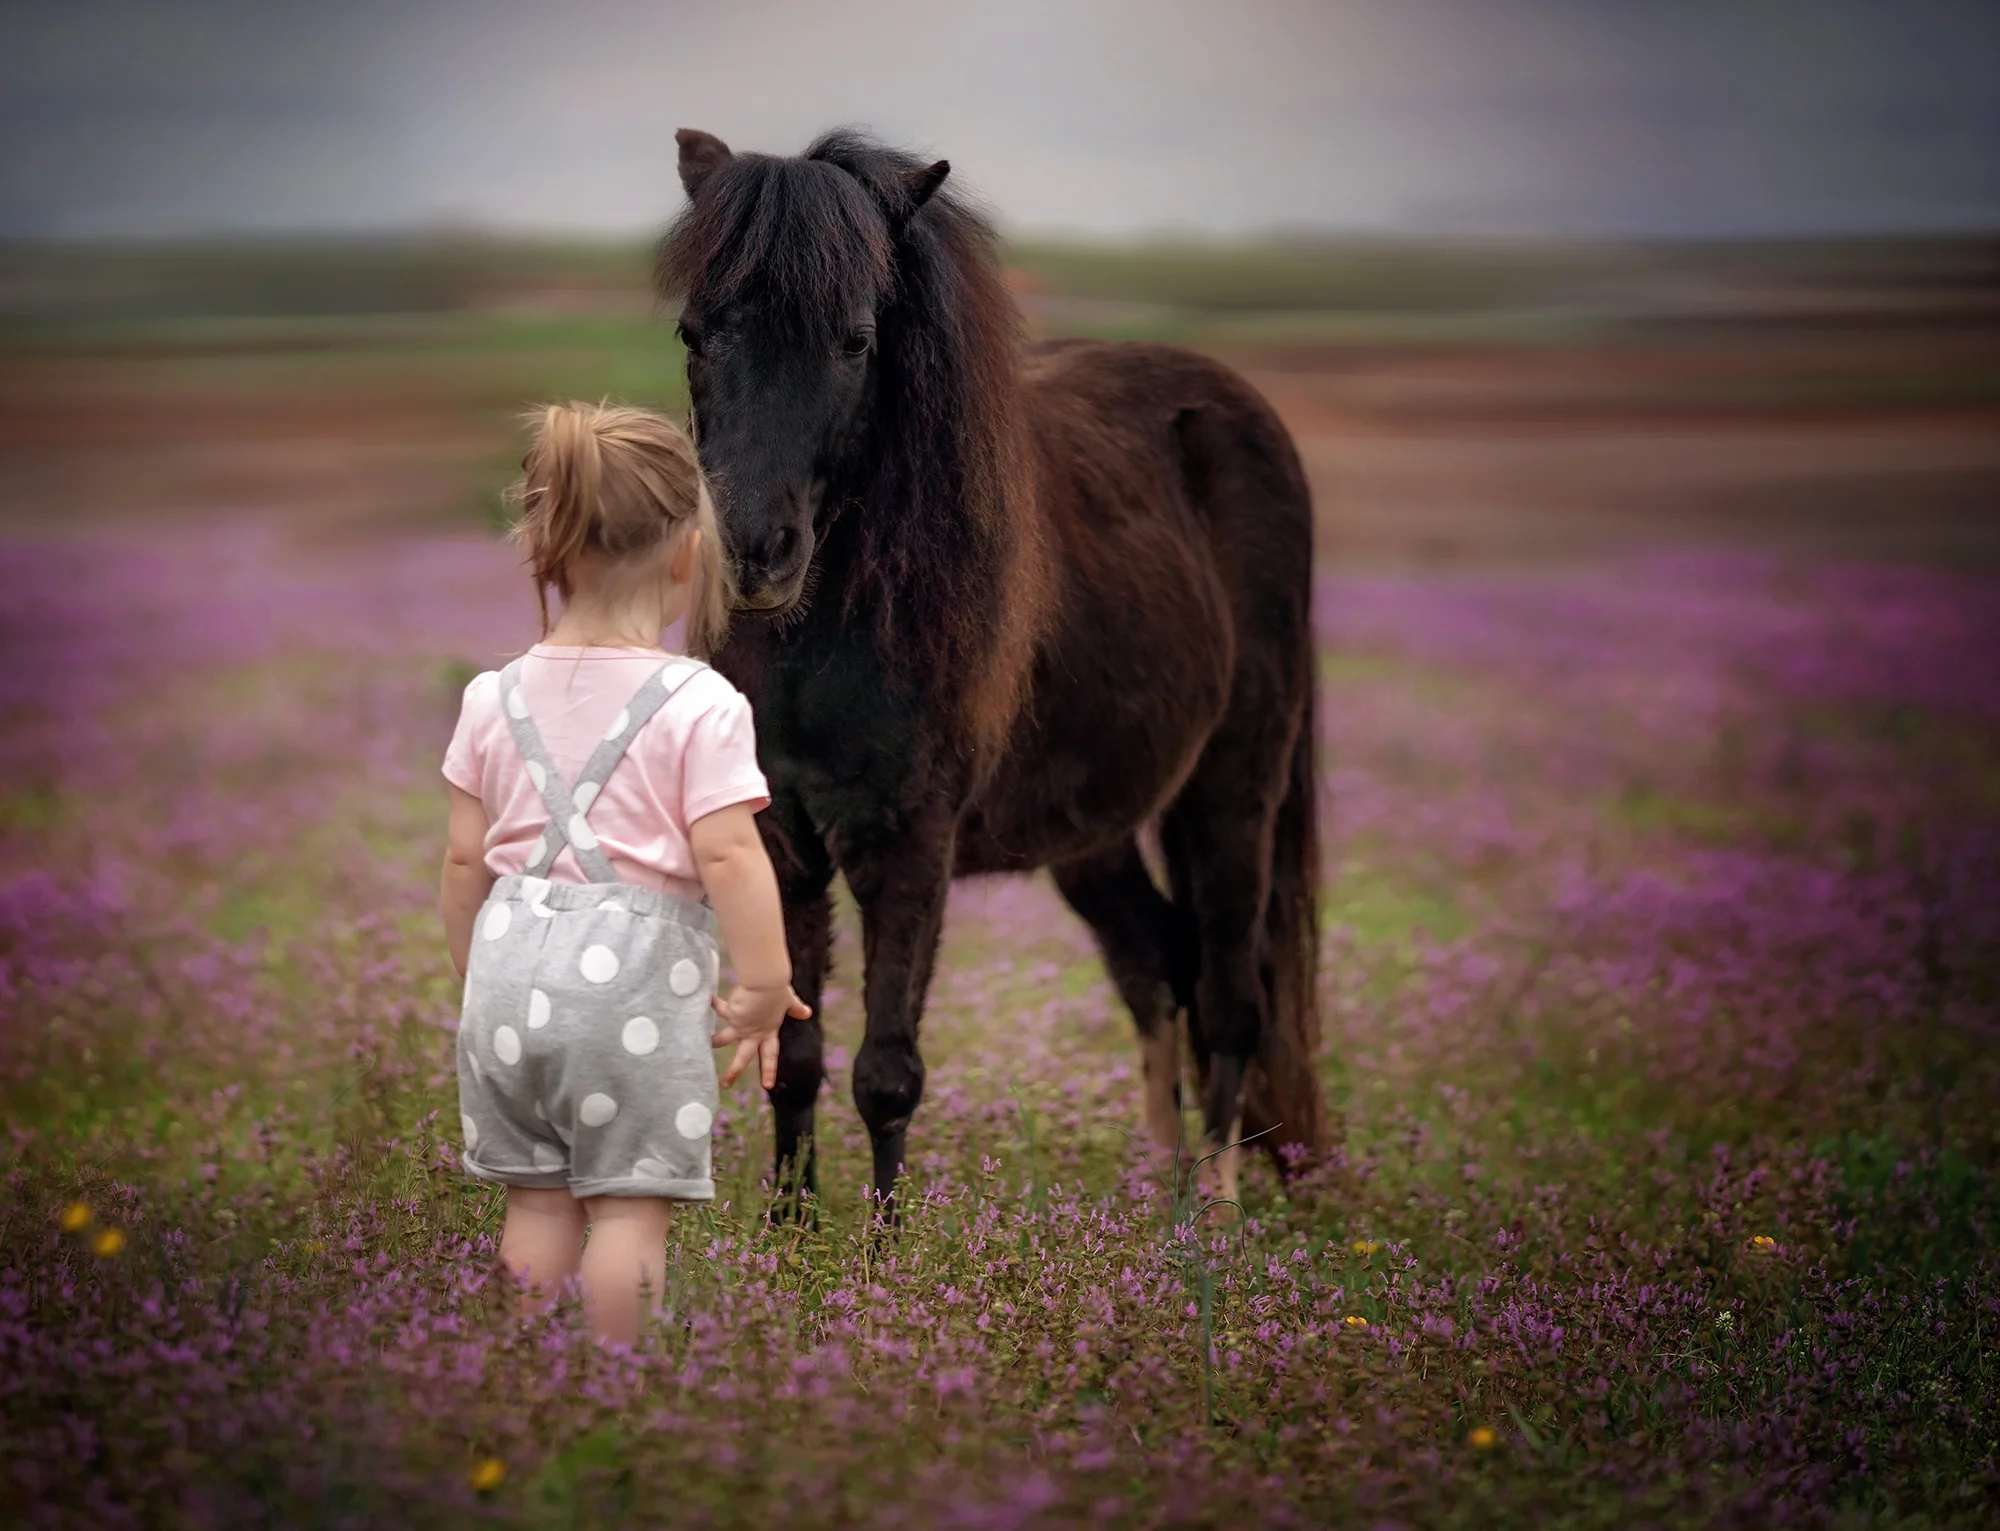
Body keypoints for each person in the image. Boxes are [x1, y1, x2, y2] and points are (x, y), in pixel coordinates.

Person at [438, 401, 808, 1346]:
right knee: (629, 1210)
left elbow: (460, 858)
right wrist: (765, 984)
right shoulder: (701, 701)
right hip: (630, 998)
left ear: (547, 551)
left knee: (540, 1205)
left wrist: (474, 972)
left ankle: (525, 1367)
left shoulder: (491, 696)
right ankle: (614, 1380)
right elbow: (730, 852)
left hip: (504, 983)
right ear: (688, 553)